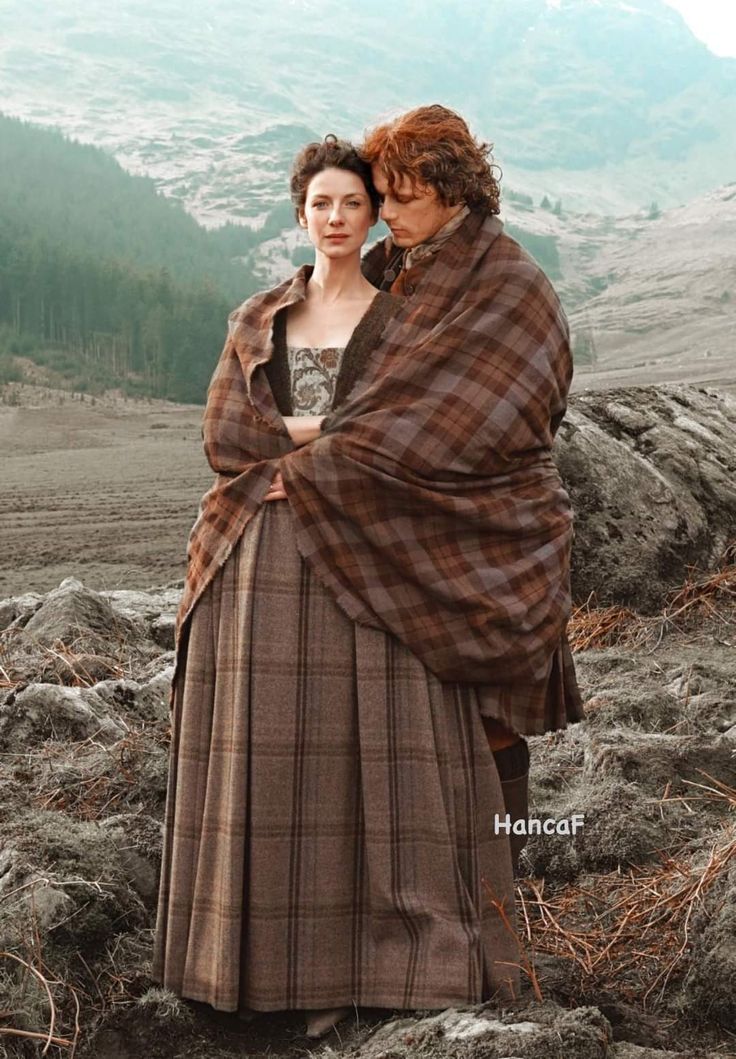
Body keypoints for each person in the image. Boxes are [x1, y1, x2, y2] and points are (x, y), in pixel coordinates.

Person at [152, 133, 523, 1041]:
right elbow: (229, 439)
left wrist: (312, 444)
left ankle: (383, 968)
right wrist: (321, 440)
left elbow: (413, 435)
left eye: (353, 203)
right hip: (264, 557)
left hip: (374, 553)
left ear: (374, 216)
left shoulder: (404, 317)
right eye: (321, 203)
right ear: (300, 212)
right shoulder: (260, 317)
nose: (336, 218)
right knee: (273, 757)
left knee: (365, 757)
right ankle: (253, 974)